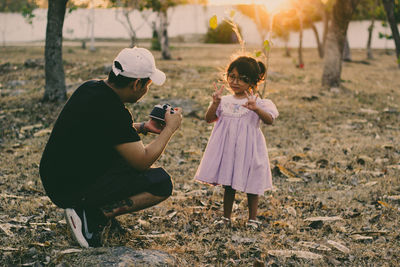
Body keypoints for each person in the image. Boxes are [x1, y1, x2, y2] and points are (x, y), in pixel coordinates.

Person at [39, 47, 182, 248]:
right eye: (147, 85)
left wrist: (142, 127)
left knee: (123, 160)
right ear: (136, 84)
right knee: (161, 183)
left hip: (56, 177)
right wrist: (170, 129)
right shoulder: (114, 111)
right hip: (71, 188)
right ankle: (92, 214)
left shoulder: (90, 88)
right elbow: (142, 161)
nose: (146, 90)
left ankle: (89, 206)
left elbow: (103, 131)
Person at [194, 56, 278, 228]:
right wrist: (214, 103)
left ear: (254, 82)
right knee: (228, 183)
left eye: (242, 79)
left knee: (252, 183)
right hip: (229, 150)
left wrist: (256, 108)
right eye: (232, 76)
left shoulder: (258, 102)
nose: (235, 82)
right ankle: (226, 217)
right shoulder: (224, 101)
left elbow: (270, 120)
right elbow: (209, 118)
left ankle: (252, 219)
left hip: (250, 149)